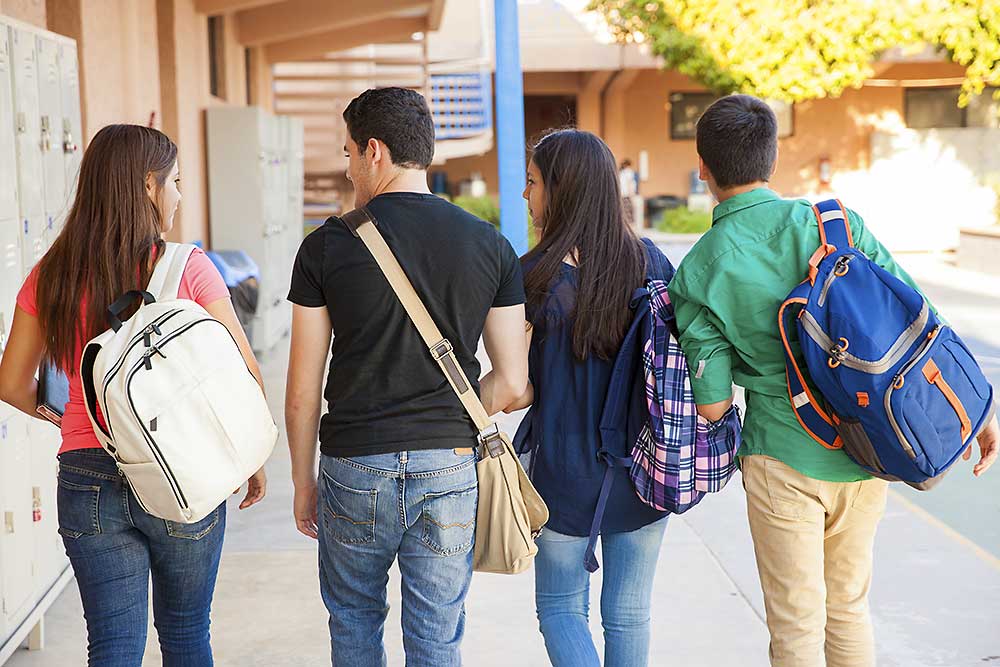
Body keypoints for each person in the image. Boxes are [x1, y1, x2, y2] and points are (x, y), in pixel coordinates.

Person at [667, 94, 999, 667]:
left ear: (703, 167)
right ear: (771, 158)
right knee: (847, 606)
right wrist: (976, 415)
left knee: (796, 621)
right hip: (867, 447)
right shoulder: (833, 224)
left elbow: (715, 405)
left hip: (781, 457)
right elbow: (918, 319)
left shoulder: (699, 269)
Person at [0, 124, 267, 666]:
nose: (179, 194)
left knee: (114, 647)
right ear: (149, 185)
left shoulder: (49, 274)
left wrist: (72, 417)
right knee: (187, 632)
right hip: (183, 466)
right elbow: (243, 370)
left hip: (87, 471)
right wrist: (247, 455)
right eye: (175, 181)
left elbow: (10, 383)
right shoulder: (188, 266)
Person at [284, 87, 528, 667]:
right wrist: (451, 409)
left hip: (354, 465)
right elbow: (514, 383)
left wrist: (302, 484)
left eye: (347, 154)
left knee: (353, 623)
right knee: (437, 635)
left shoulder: (324, 249)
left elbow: (301, 395)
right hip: (448, 464)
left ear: (374, 151)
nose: (346, 171)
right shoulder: (491, 245)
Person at [499, 129, 673, 667]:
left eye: (531, 183)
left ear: (561, 189)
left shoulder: (532, 276)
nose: (526, 195)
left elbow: (517, 389)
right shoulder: (651, 264)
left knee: (559, 607)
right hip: (646, 468)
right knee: (629, 612)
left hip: (561, 472)